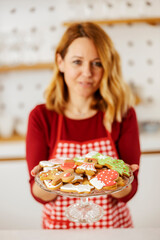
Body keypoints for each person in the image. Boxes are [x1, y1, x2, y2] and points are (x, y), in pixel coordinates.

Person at [26, 21, 140, 229]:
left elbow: (128, 194)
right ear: (60, 62)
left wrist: (120, 179)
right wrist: (53, 178)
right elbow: (38, 194)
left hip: (112, 230)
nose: (87, 73)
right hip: (59, 230)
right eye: (77, 62)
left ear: (107, 66)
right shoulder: (41, 117)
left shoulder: (123, 114)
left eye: (97, 63)